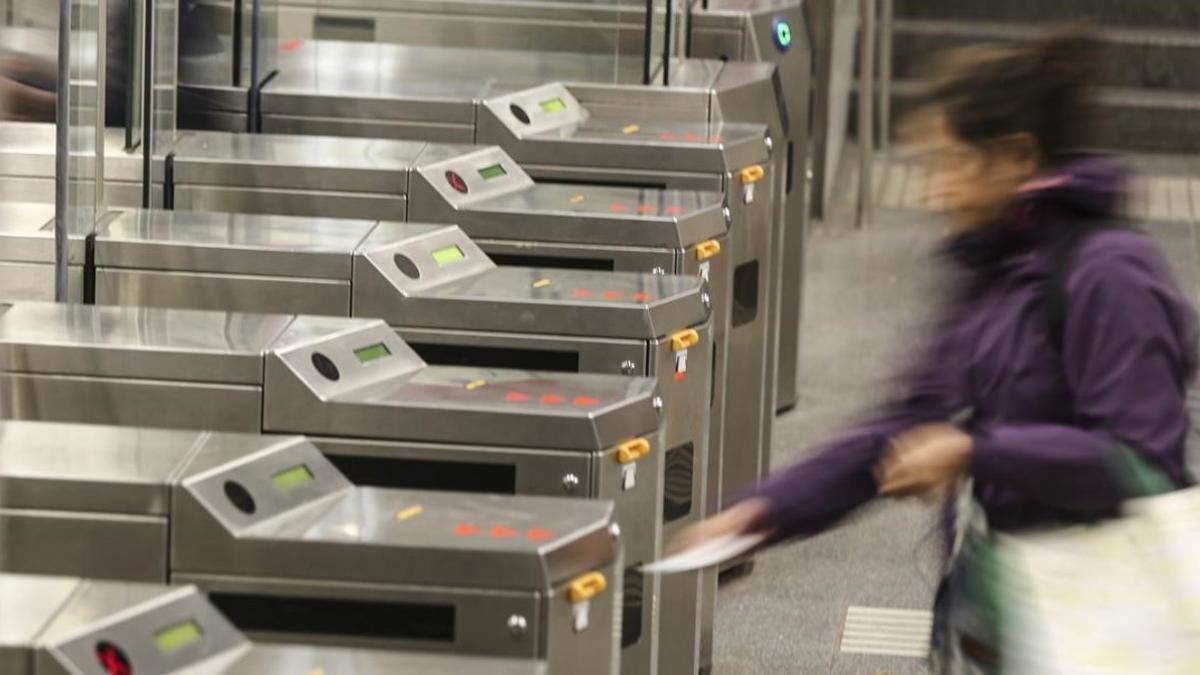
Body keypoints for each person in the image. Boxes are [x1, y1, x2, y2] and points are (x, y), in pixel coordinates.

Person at [671, 31, 1199, 672]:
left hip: (1102, 618)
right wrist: (766, 511)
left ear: (1013, 158)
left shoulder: (1111, 274)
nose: (933, 191)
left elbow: (1137, 458)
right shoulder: (994, 259)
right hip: (1007, 604)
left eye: (948, 163)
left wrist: (979, 451)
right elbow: (907, 423)